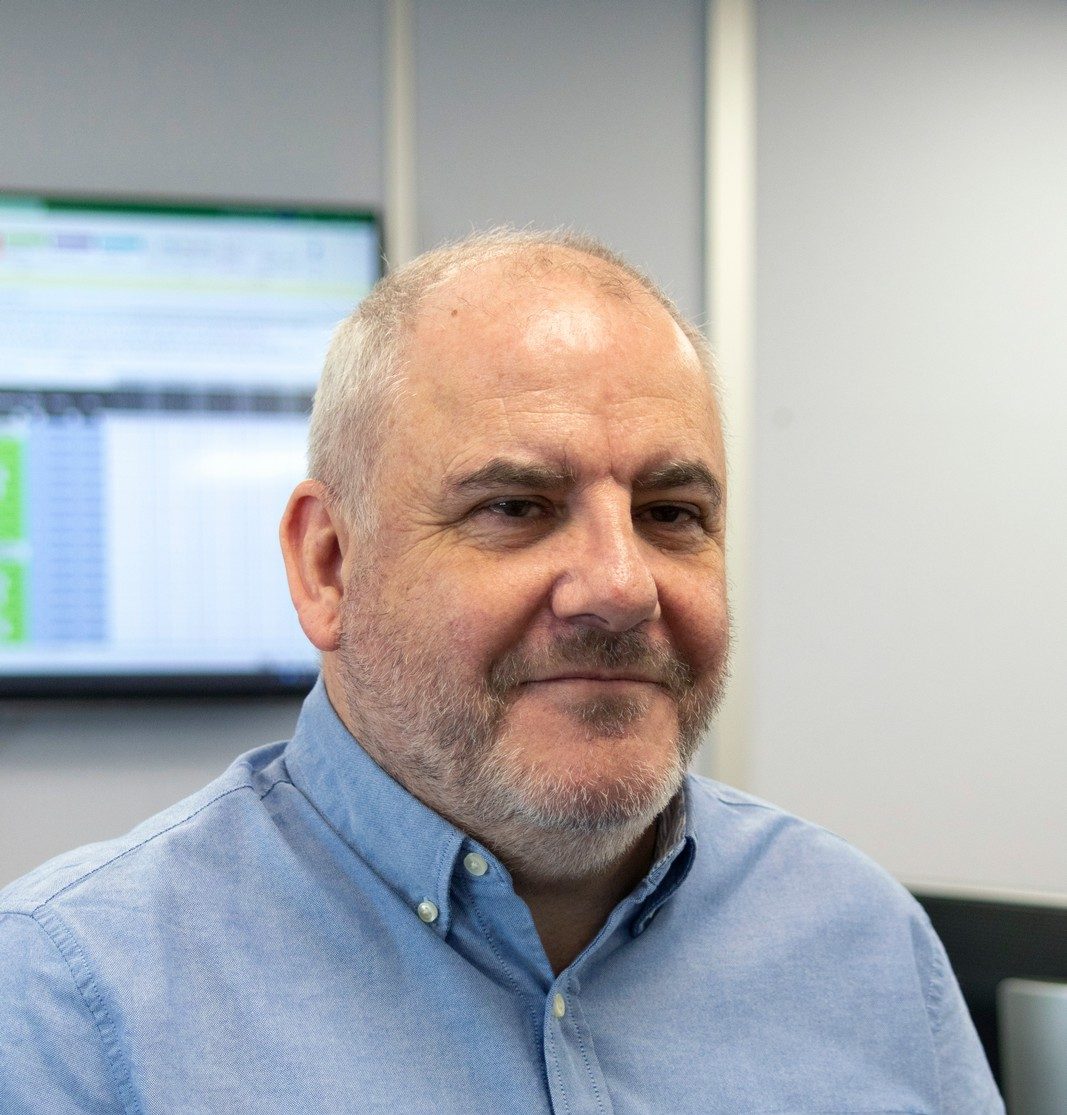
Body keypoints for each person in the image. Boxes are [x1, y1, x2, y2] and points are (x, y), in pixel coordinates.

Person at [0, 230, 1002, 1113]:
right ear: (328, 565)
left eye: (670, 513)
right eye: (514, 507)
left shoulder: (862, 946)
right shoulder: (68, 1003)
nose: (619, 586)